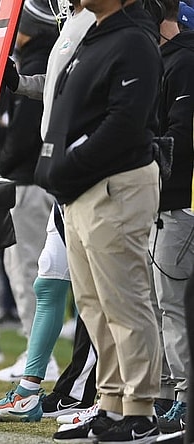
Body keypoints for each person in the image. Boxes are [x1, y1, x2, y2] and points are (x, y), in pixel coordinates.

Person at [34, 0, 164, 439]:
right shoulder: (91, 34)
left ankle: (140, 411)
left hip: (116, 185)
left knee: (124, 302)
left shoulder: (134, 40)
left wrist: (67, 164)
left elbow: (125, 123)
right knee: (93, 306)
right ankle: (109, 404)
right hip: (82, 190)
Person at [0, 0, 97, 422]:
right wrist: (21, 82)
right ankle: (30, 388)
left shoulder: (115, 31)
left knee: (102, 295)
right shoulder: (76, 29)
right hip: (62, 180)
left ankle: (111, 397)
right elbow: (61, 85)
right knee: (48, 280)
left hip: (91, 178)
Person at [151, 0, 194, 433]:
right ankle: (167, 394)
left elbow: (180, 136)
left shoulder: (183, 63)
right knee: (161, 304)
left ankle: (181, 399)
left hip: (179, 204)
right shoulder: (172, 60)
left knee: (171, 306)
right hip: (171, 202)